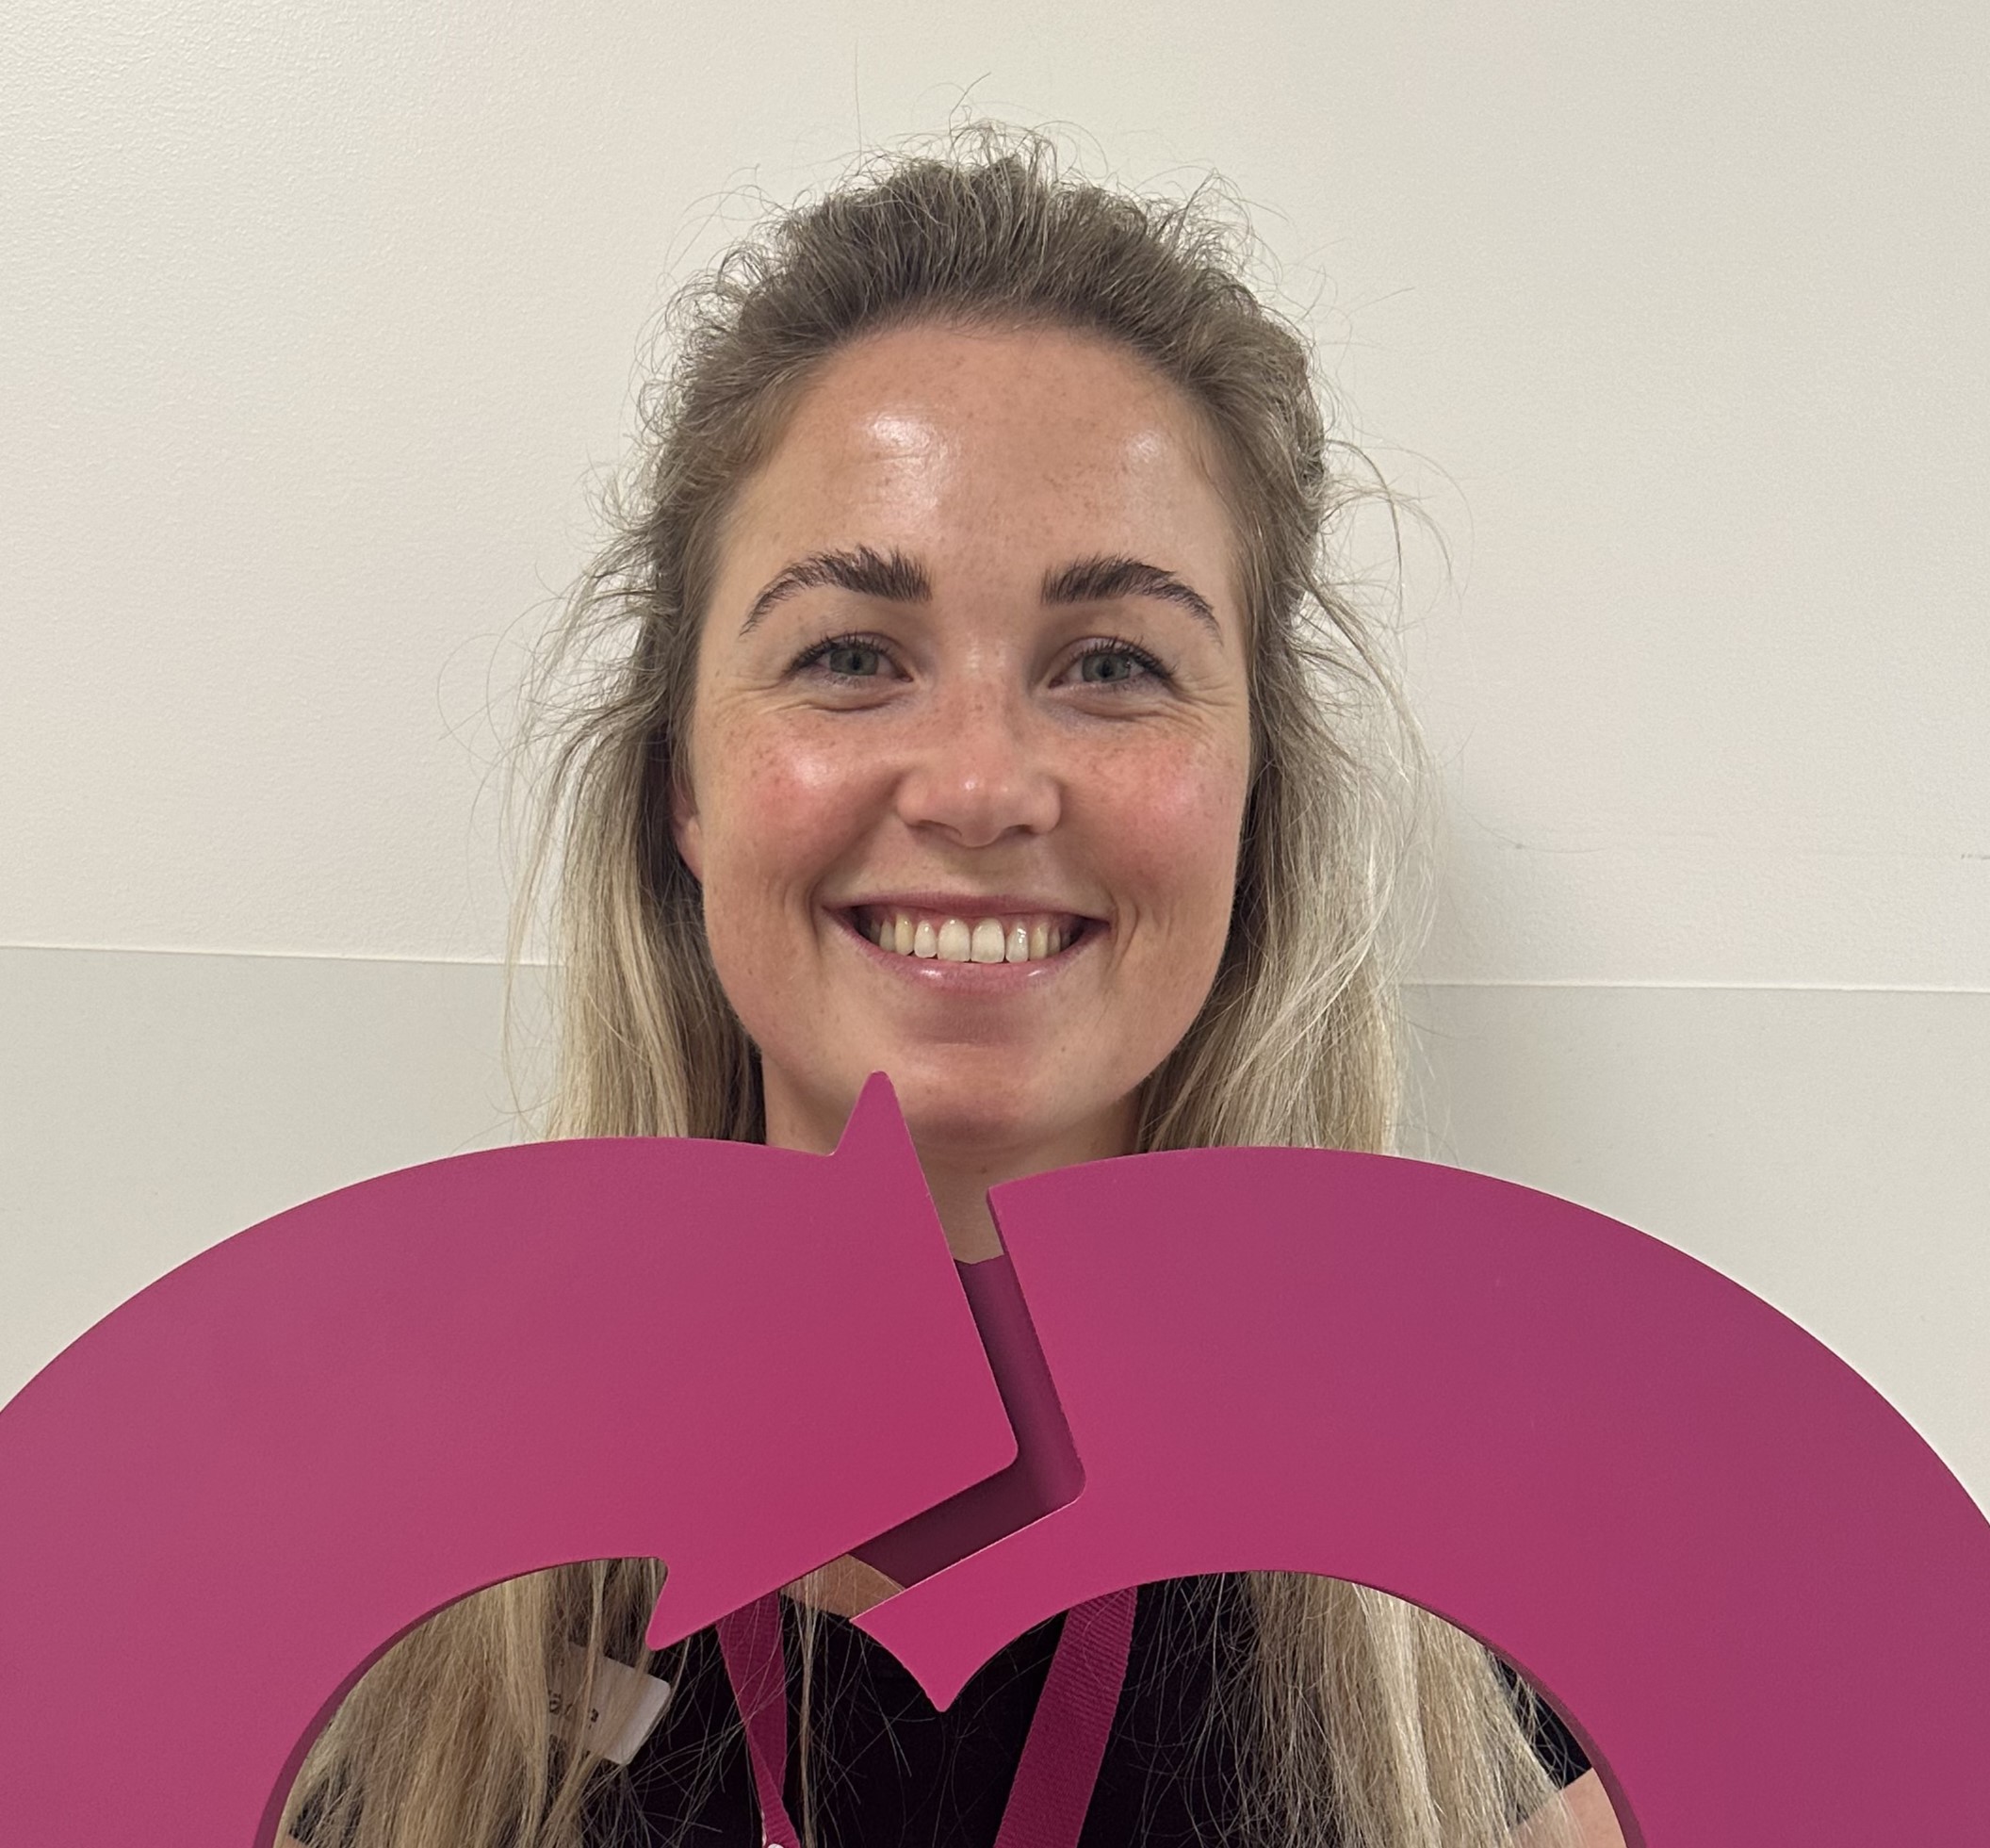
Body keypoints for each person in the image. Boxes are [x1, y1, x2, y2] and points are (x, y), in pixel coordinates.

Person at [282, 122, 1623, 1848]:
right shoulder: (386, 1637)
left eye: (1115, 665)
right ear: (680, 784)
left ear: (1252, 803)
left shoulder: (1514, 1672)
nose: (983, 784)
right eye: (850, 654)